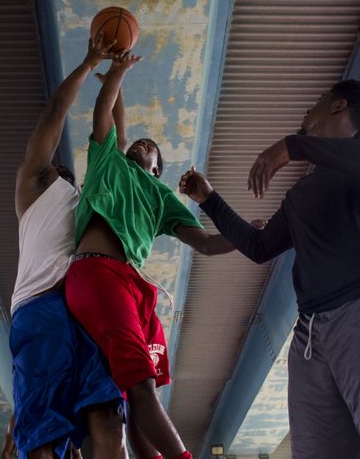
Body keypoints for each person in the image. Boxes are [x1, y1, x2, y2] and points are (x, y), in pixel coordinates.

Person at [179, 79, 360, 459]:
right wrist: (209, 200)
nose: (307, 111)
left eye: (317, 100)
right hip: (310, 338)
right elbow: (259, 247)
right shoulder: (303, 192)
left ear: (339, 106)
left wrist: (294, 145)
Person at [64, 52, 235, 459]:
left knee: (138, 395)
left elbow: (208, 244)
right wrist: (119, 72)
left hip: (134, 288)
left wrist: (249, 236)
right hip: (97, 274)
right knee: (140, 385)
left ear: (157, 169)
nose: (144, 143)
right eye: (139, 141)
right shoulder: (109, 161)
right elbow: (106, 110)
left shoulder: (161, 197)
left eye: (152, 147)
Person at [9, 34, 126, 459]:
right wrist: (89, 61)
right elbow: (55, 111)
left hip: (89, 306)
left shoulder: (88, 205)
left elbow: (115, 144)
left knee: (109, 421)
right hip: (40, 305)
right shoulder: (33, 184)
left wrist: (116, 80)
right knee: (44, 436)